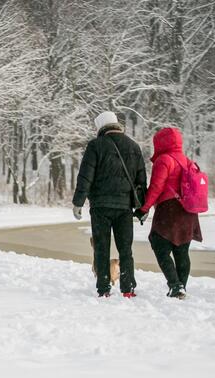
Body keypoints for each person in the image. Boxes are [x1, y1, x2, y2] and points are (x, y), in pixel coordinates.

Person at [72, 111, 147, 298]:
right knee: (125, 250)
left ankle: (104, 288)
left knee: (101, 248)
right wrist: (143, 207)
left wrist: (78, 202)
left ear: (100, 127)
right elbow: (141, 181)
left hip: (100, 207)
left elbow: (85, 176)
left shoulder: (95, 146)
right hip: (124, 207)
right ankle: (128, 289)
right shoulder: (133, 146)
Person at [134, 128, 202, 300]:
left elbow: (156, 188)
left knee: (159, 244)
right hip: (189, 212)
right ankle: (181, 287)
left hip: (169, 210)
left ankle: (175, 285)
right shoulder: (188, 161)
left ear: (161, 143)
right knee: (182, 250)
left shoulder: (164, 160)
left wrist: (144, 208)